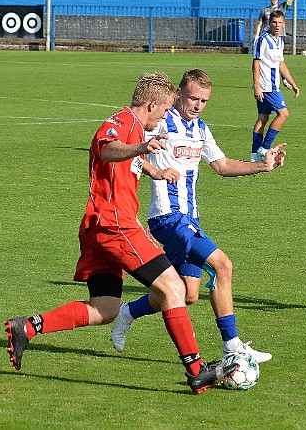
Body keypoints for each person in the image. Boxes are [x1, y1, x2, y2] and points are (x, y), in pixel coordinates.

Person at [4, 72, 239, 394]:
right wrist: (141, 146)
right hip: (115, 224)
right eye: (165, 109)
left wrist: (155, 169)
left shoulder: (137, 129)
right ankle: (197, 372)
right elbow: (107, 149)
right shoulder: (123, 122)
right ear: (153, 105)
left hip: (98, 227)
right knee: (173, 288)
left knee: (105, 308)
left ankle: (28, 327)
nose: (165, 116)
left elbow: (128, 163)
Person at [111, 69, 286, 363]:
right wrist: (151, 170)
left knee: (187, 293)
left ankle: (127, 313)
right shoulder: (160, 122)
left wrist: (263, 166)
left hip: (191, 220)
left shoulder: (201, 130)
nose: (197, 105)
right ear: (178, 94)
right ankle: (233, 346)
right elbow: (133, 152)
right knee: (222, 265)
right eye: (192, 98)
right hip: (168, 218)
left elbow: (223, 165)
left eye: (203, 100)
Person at [250, 10, 299, 163]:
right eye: (274, 22)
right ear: (269, 23)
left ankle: (254, 155)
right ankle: (264, 148)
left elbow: (281, 64)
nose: (277, 25)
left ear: (284, 24)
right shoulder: (263, 39)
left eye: (280, 23)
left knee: (263, 118)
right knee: (283, 114)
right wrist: (256, 86)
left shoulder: (280, 41)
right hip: (266, 86)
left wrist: (292, 82)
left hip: (273, 85)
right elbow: (256, 63)